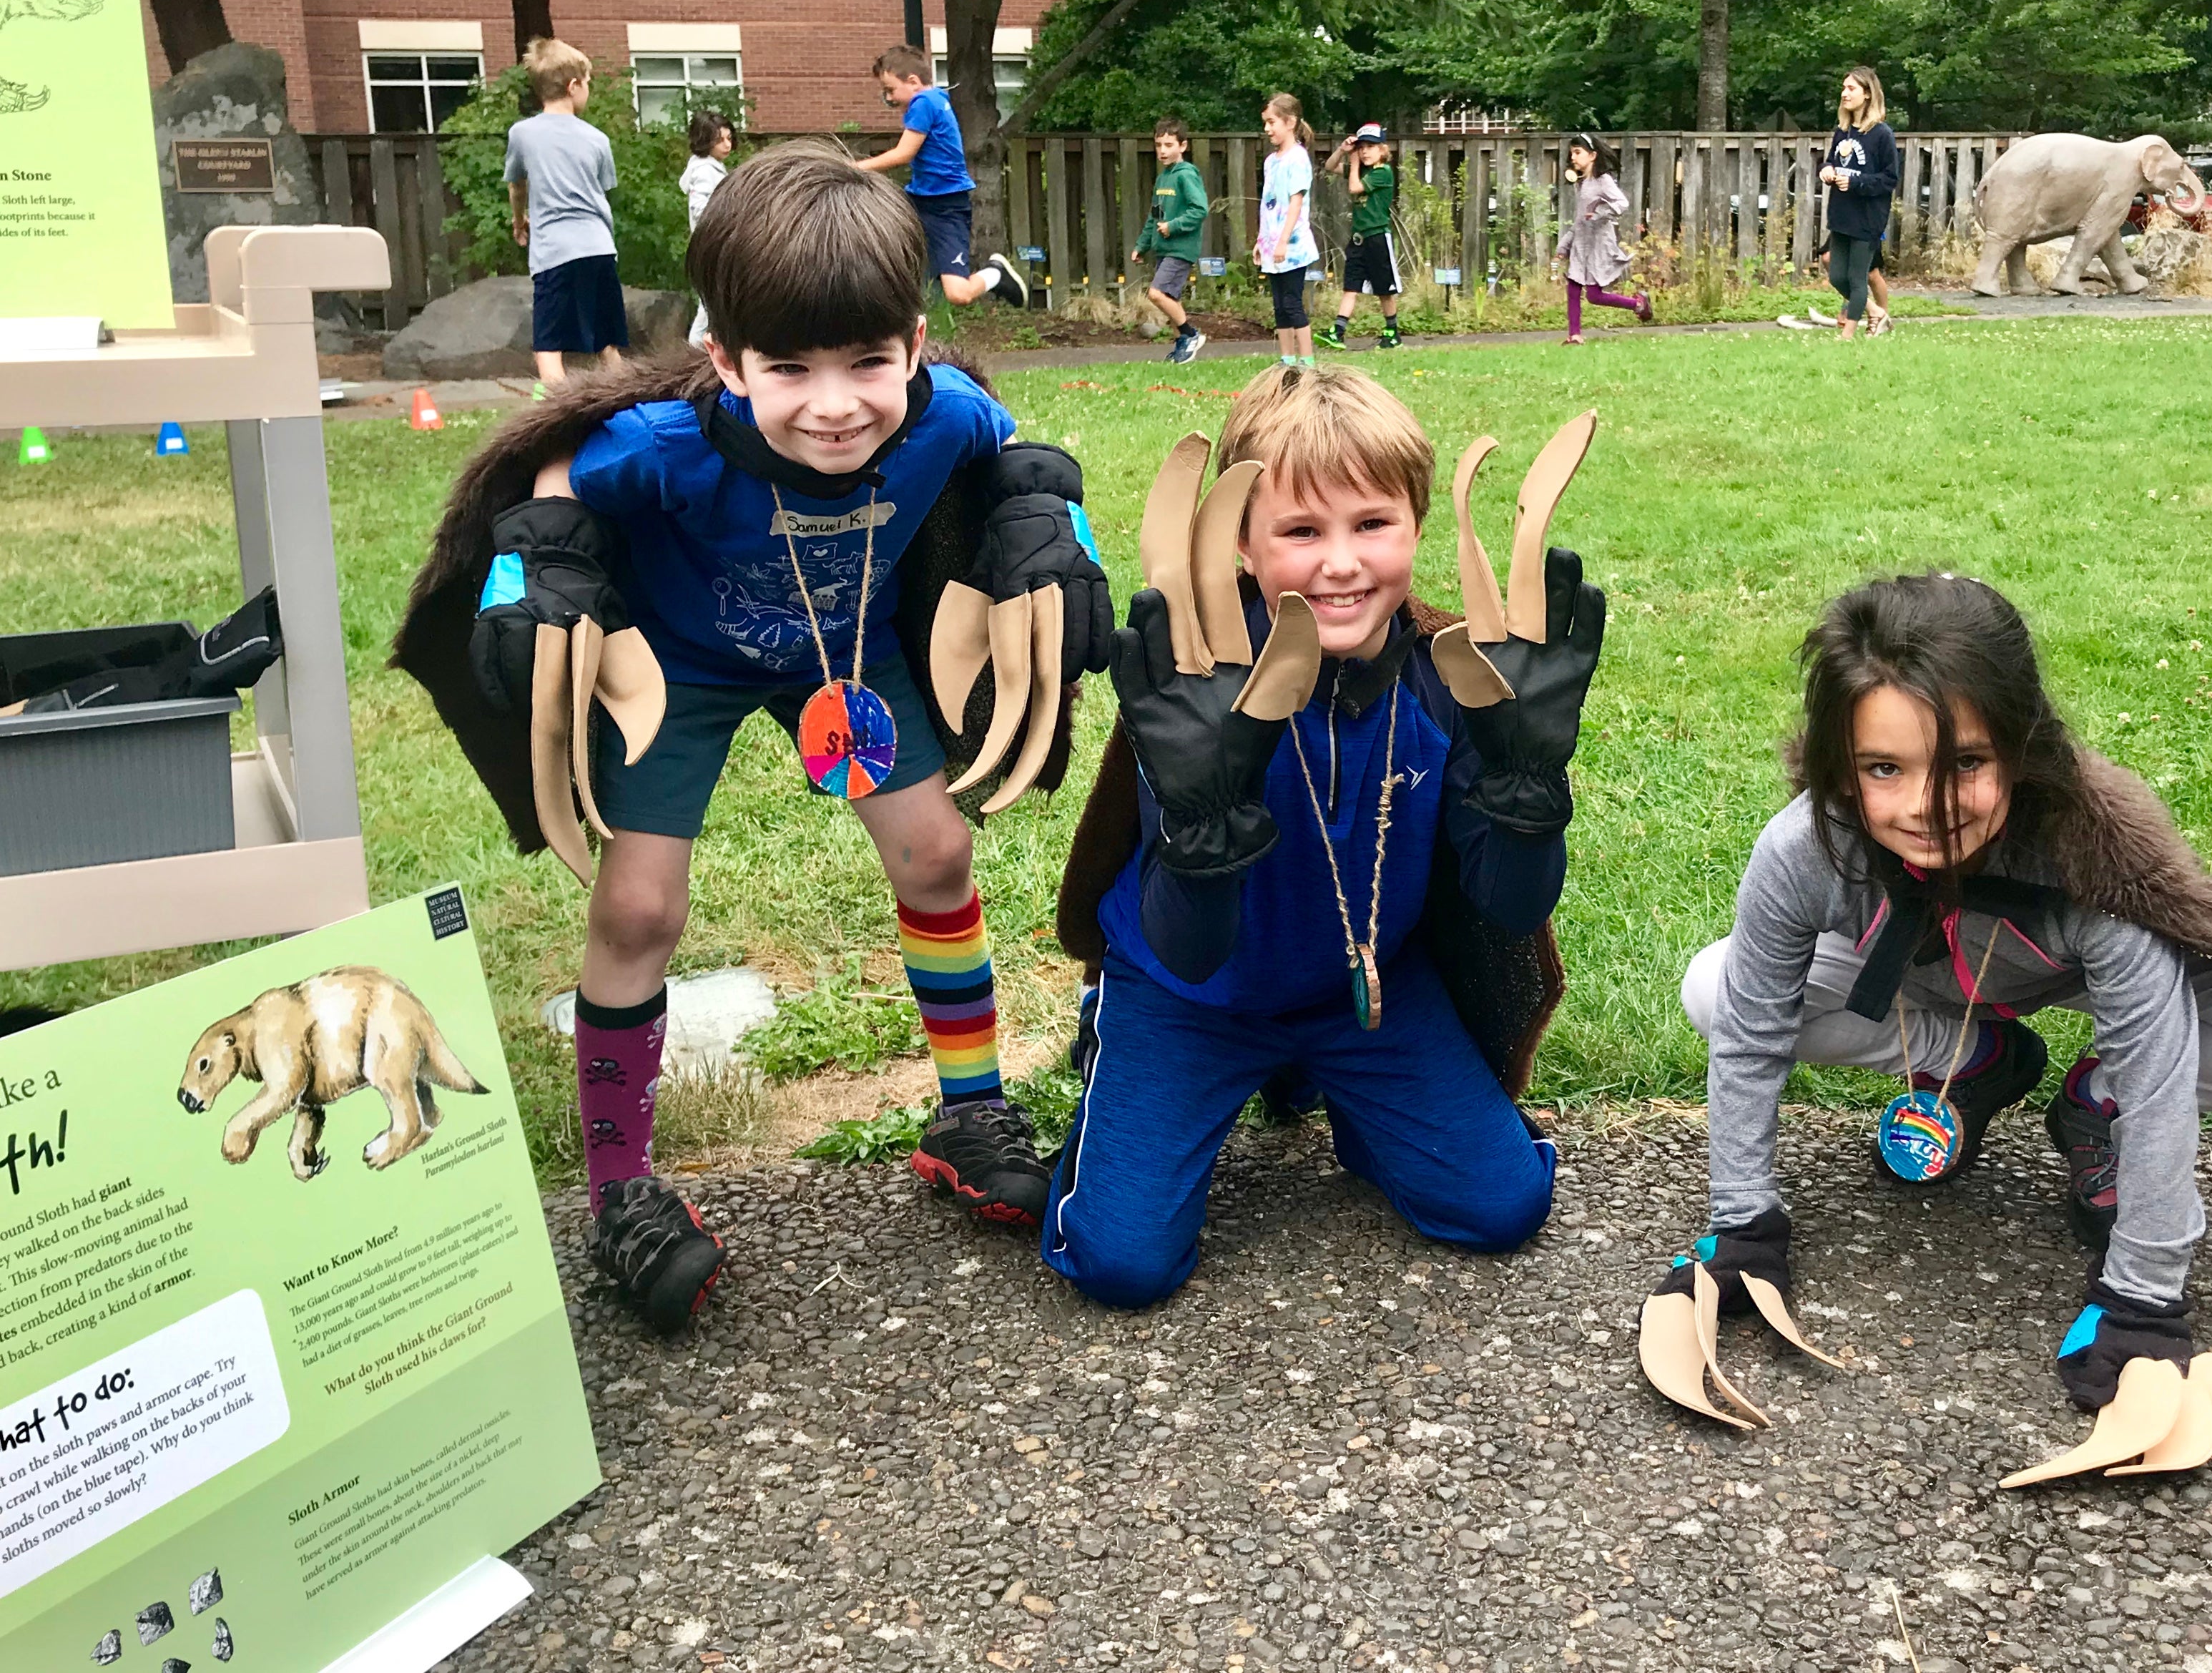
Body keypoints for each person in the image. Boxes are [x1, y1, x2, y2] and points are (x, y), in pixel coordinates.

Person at [393, 145, 1112, 1330]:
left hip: (851, 657)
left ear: (916, 344)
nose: (835, 404)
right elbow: (553, 469)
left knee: (936, 852)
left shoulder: (941, 416)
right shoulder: (671, 443)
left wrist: (1050, 520)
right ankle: (621, 1193)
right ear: (723, 359)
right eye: (788, 368)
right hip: (685, 664)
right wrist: (536, 569)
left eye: (869, 362)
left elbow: (1016, 444)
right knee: (637, 906)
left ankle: (967, 1114)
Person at [1661, 571, 2212, 1413]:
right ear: (1836, 765)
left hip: (2075, 975)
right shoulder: (1802, 849)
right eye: (1883, 768)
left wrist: (2144, 1297)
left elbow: (2159, 1084)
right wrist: (1740, 1219)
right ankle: (1976, 1060)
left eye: (1965, 762)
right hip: (1921, 981)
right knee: (1715, 987)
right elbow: (1748, 1035)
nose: (1926, 807)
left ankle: (2088, 1102)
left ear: (2022, 745)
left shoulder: (2095, 852)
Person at [1039, 365, 1605, 1308]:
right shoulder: (1194, 691)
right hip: (1188, 994)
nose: (1341, 563)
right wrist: (1201, 833)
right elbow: (1187, 941)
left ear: (1416, 526)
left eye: (1371, 525)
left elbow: (1508, 901)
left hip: (1363, 990)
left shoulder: (1444, 677)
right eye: (1301, 532)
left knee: (1503, 1205)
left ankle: (1349, 1102)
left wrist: (1530, 794)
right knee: (1123, 1264)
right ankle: (1110, 1094)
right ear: (1244, 547)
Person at [853, 44, 1026, 311]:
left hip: (946, 207)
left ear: (913, 82)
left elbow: (903, 154)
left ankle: (996, 273)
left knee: (959, 295)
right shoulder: (936, 99)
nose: (888, 98)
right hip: (920, 200)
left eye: (890, 90)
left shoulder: (924, 103)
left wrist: (856, 168)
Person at [506, 37, 627, 391]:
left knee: (548, 344)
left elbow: (517, 186)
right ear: (573, 87)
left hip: (554, 253)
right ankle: (626, 403)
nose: (588, 90)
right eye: (587, 83)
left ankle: (555, 414)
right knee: (606, 342)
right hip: (599, 248)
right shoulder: (597, 139)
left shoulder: (522, 134)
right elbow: (601, 190)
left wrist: (519, 220)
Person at [1817, 67, 1899, 340]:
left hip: (1867, 217)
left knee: (1857, 277)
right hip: (1841, 213)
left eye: (1851, 89)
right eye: (1844, 88)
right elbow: (1831, 161)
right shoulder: (1843, 132)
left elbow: (1889, 179)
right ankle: (1876, 313)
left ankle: (1848, 335)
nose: (1844, 94)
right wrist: (1826, 170)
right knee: (1837, 277)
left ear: (1867, 94)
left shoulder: (1882, 134)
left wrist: (1855, 183)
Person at [1553, 134, 1652, 344]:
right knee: (1573, 287)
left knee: (1594, 296)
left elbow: (1621, 203)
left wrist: (1600, 213)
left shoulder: (1603, 180)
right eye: (1572, 153)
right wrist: (1564, 245)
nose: (1573, 157)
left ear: (1593, 155)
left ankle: (1638, 303)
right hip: (1581, 244)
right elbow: (1580, 221)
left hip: (1599, 245)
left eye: (1578, 152)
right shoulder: (1582, 184)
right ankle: (1575, 335)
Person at [1131, 116, 1209, 365]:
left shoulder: (1186, 175)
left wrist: (1174, 227)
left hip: (1181, 248)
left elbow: (1200, 209)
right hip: (1164, 248)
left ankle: (1190, 334)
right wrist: (1142, 245)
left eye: (1169, 145)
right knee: (1171, 298)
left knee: (1156, 294)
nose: (1163, 151)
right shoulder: (1164, 177)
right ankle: (1181, 350)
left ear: (1182, 146)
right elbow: (1154, 217)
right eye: (1158, 145)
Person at [1317, 124, 1402, 350]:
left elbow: (1355, 188)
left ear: (1383, 150)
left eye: (1371, 147)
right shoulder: (1362, 169)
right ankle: (1338, 331)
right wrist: (1343, 150)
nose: (1365, 152)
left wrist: (1354, 163)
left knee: (1384, 289)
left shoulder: (1382, 172)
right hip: (1359, 238)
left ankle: (1392, 332)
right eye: (1362, 147)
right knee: (1351, 286)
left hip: (1377, 237)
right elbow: (1329, 166)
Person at [1256, 93, 1319, 367]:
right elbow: (1267, 205)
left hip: (1292, 247)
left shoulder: (1298, 159)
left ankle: (1307, 361)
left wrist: (1282, 242)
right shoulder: (1271, 161)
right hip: (1273, 246)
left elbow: (1295, 204)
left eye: (1272, 122)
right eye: (1266, 123)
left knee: (1293, 304)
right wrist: (1262, 241)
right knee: (1280, 306)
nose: (1268, 129)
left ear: (1290, 122)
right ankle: (1287, 360)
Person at [681, 107, 734, 350]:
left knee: (713, 307)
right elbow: (701, 209)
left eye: (729, 138)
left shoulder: (709, 168)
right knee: (710, 308)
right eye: (720, 140)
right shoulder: (704, 171)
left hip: (714, 245)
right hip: (711, 247)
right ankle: (693, 356)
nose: (727, 145)